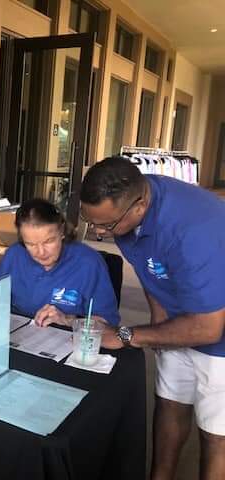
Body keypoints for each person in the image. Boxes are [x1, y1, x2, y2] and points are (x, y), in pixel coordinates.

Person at [80, 156, 225, 480]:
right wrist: (159, 321)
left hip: (217, 331)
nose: (99, 232)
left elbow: (209, 328)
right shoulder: (127, 204)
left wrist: (128, 335)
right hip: (179, 318)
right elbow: (148, 269)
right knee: (170, 404)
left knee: (215, 435)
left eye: (107, 225)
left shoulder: (194, 229)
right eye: (91, 222)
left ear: (140, 206)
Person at [0, 198, 120, 327]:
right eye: (31, 244)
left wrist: (67, 320)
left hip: (68, 335)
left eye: (48, 241)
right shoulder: (13, 255)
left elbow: (107, 322)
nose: (41, 252)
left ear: (62, 231)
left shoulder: (89, 263)